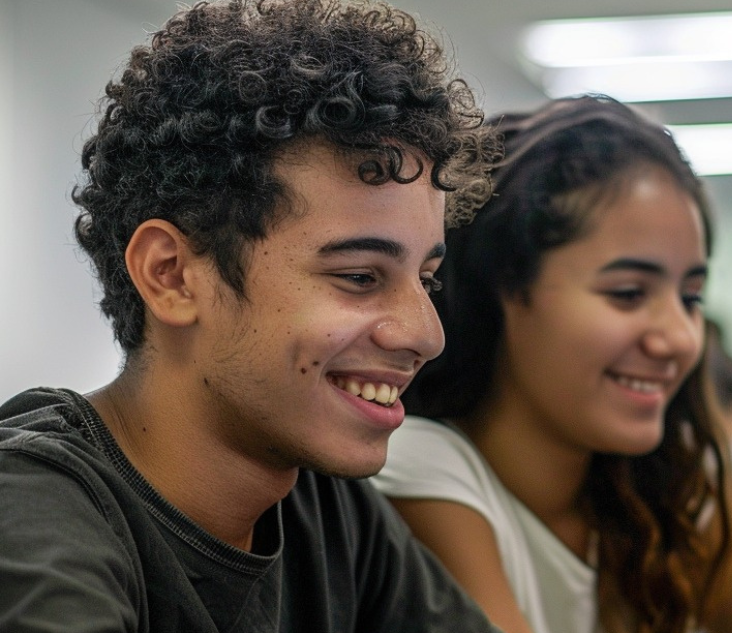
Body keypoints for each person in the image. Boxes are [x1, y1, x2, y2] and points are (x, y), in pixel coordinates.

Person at [0, 1, 504, 631]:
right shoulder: (29, 510)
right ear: (172, 275)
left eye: (426, 280)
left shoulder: (324, 504)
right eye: (359, 277)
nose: (426, 335)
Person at [372, 95, 732, 633]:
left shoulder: (674, 479)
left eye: (690, 298)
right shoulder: (424, 467)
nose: (679, 339)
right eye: (627, 293)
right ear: (507, 288)